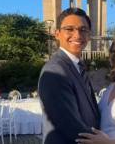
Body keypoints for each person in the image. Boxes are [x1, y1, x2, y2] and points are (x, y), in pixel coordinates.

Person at [38, 8, 100, 144]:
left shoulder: (78, 66)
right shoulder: (55, 70)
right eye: (69, 29)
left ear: (89, 35)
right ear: (57, 34)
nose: (77, 35)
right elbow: (70, 126)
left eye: (83, 30)